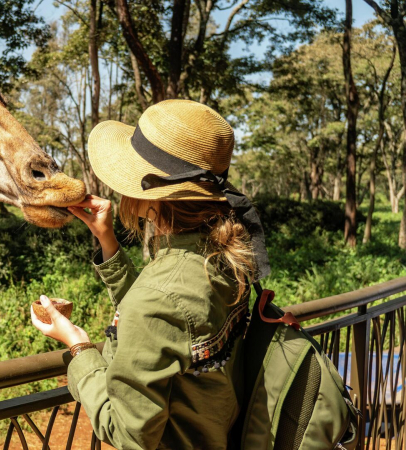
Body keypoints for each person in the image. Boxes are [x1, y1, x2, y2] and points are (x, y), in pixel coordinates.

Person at [31, 100, 270, 450]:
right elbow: (162, 325)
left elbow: (128, 432)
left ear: (153, 194)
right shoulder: (222, 257)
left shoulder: (161, 293)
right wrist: (107, 240)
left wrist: (79, 348)